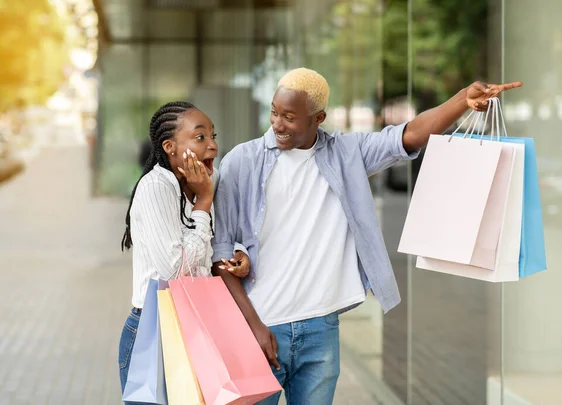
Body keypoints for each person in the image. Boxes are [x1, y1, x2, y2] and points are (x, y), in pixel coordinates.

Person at [212, 68, 522, 404]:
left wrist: (462, 100)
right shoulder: (241, 162)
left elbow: (409, 135)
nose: (277, 124)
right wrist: (253, 326)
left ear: (319, 118)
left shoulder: (347, 154)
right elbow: (221, 251)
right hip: (260, 323)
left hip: (320, 328)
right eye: (274, 112)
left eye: (289, 116)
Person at [117, 101, 250, 402]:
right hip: (157, 331)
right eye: (200, 137)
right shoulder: (156, 188)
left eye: (213, 136)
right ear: (170, 147)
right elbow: (175, 271)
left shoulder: (204, 182)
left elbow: (212, 245)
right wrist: (203, 202)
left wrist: (237, 255)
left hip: (199, 323)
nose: (213, 146)